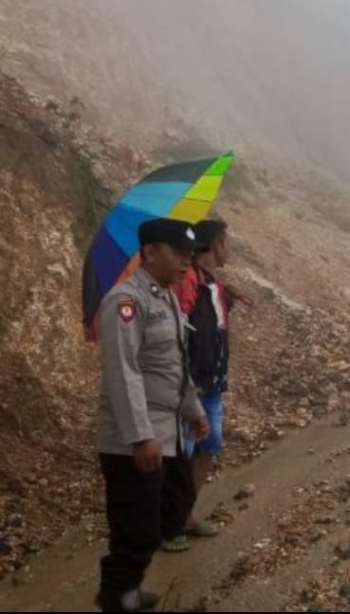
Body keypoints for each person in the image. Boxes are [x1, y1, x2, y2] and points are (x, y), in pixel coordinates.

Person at [95, 218, 210, 612]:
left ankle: (128, 586)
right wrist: (141, 436)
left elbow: (174, 362)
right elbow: (123, 372)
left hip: (169, 428)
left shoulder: (167, 297)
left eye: (190, 255)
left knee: (173, 506)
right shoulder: (126, 302)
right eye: (178, 253)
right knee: (136, 525)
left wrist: (193, 408)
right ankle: (117, 596)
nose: (186, 263)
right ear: (149, 253)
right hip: (133, 439)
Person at [174, 219, 251, 542]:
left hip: (213, 383)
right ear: (213, 245)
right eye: (225, 242)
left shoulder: (213, 285)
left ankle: (185, 515)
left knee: (208, 447)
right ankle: (171, 521)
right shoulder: (186, 282)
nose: (228, 248)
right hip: (190, 385)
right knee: (183, 452)